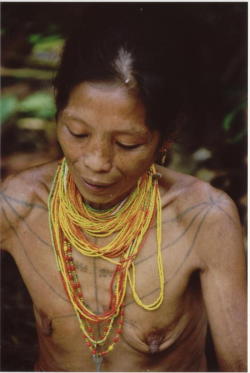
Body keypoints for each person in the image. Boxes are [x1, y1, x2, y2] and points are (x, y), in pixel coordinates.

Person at [1, 6, 246, 372]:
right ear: (58, 113)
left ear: (167, 136)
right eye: (78, 133)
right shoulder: (20, 204)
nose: (97, 161)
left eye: (128, 143)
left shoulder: (201, 219)